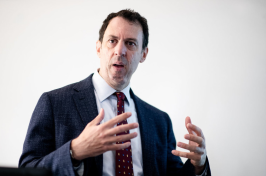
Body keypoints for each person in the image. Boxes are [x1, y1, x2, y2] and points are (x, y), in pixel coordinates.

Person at [19, 9, 211, 176]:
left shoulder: (160, 121)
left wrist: (198, 165)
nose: (120, 50)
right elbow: (28, 169)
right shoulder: (54, 103)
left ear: (143, 54)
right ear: (99, 48)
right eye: (112, 41)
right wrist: (74, 151)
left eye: (130, 43)